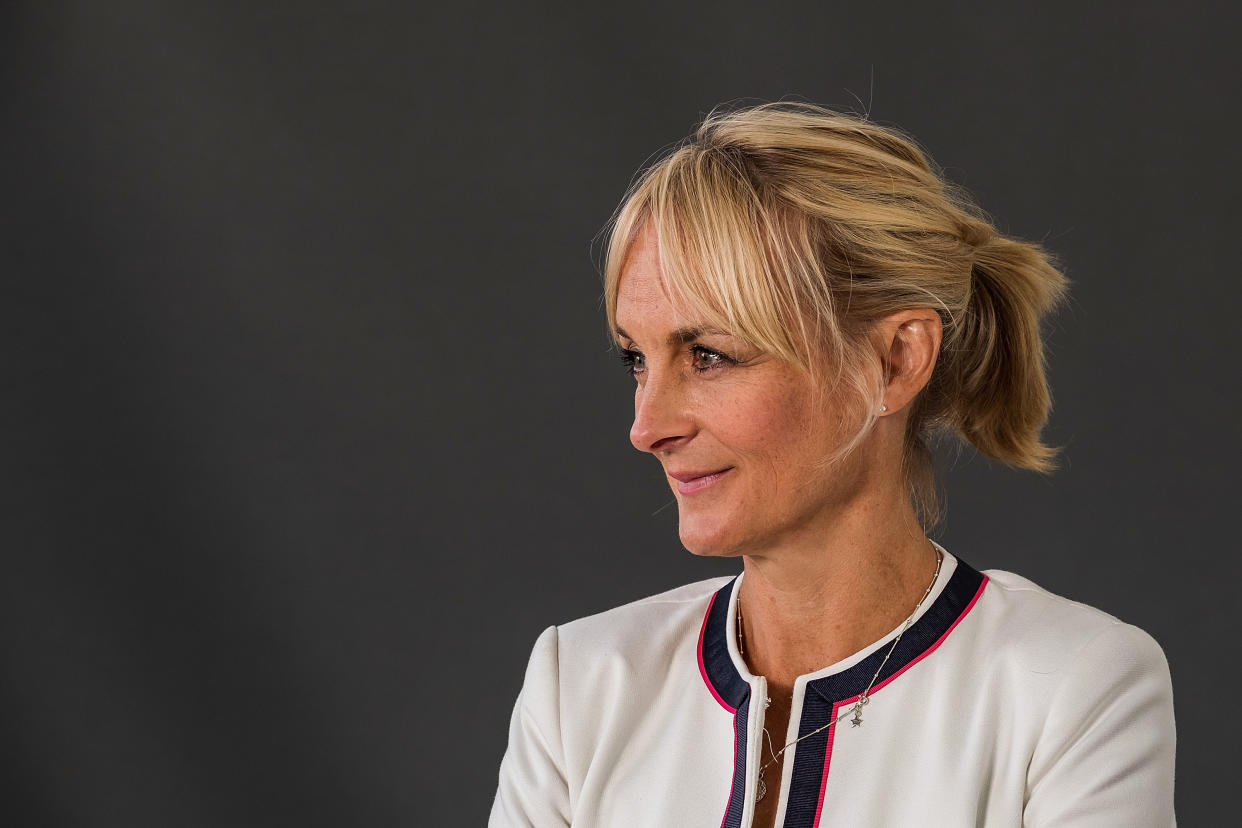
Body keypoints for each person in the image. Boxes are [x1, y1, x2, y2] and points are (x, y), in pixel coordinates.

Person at [488, 102, 1176, 827]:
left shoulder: (1072, 689)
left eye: (709, 356)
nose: (647, 426)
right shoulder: (582, 687)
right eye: (637, 359)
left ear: (894, 360)